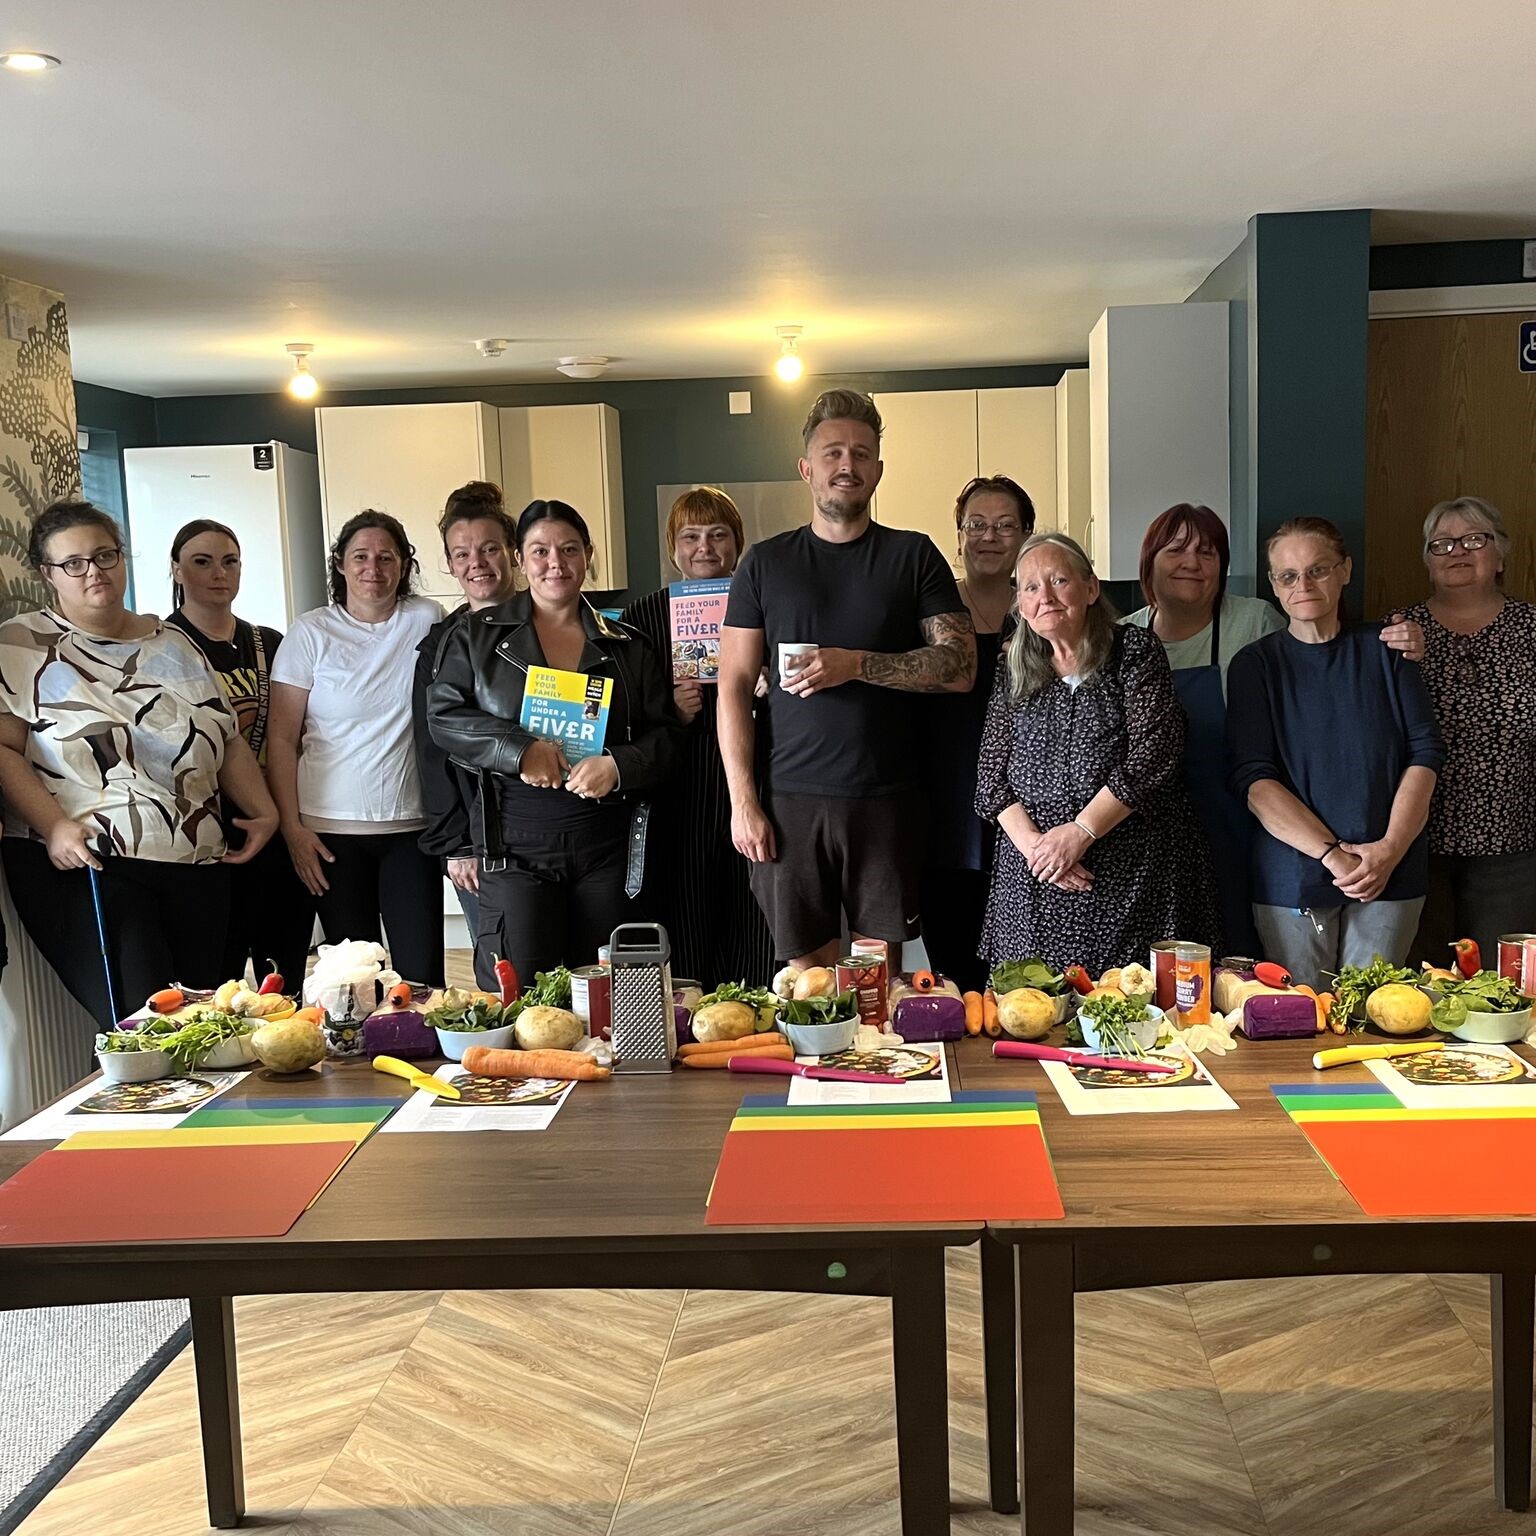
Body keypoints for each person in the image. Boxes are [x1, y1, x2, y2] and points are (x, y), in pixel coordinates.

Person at [719, 390, 976, 970]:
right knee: (806, 980)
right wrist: (744, 802)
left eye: (862, 454)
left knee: (874, 980)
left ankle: (877, 1066)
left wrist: (855, 662)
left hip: (888, 802)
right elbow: (733, 686)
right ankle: (814, 1064)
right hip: (789, 802)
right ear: (806, 468)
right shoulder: (764, 563)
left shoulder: (913, 556)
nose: (847, 465)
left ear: (878, 470)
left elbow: (959, 668)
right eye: (832, 452)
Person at [0, 500, 279, 1028]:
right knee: (143, 1028)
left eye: (105, 556)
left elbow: (226, 737)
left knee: (205, 1026)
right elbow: (5, 750)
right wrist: (53, 825)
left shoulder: (172, 641)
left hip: (198, 862)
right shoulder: (20, 644)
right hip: (93, 863)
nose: (94, 572)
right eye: (74, 563)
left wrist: (263, 811)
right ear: (47, 574)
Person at [1123, 503, 1426, 956]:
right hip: (1145, 830)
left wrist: (1405, 637)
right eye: (1175, 550)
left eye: (1207, 552)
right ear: (1149, 561)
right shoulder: (1120, 638)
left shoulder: (1254, 623)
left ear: (1344, 571)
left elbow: (1417, 745)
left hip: (1235, 826)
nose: (1191, 563)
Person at [428, 499, 679, 989]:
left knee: (613, 996)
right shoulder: (475, 638)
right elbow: (443, 717)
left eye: (568, 549)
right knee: (521, 995)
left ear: (588, 555)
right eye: (539, 551)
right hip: (515, 845)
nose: (555, 564)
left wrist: (620, 765)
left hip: (607, 848)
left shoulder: (628, 643)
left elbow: (668, 737)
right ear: (520, 559)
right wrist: (518, 749)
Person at [975, 533, 1218, 978]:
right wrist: (1042, 853)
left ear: (1089, 589)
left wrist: (1080, 833)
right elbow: (990, 781)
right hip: (1034, 886)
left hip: (1135, 881)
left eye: (1058, 580)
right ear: (1021, 606)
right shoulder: (1011, 670)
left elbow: (1154, 754)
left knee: (1135, 1012)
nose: (1044, 596)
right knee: (1031, 1012)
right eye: (1030, 587)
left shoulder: (1134, 651)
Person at [1227, 517, 1444, 989]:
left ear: (1344, 570)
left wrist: (1388, 851)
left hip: (1391, 870)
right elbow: (1254, 780)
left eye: (1318, 570)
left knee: (1375, 1017)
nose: (1303, 584)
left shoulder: (1388, 649)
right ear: (1273, 585)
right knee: (1303, 1022)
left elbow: (1425, 754)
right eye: (1288, 575)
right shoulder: (1256, 665)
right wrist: (1332, 856)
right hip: (1292, 876)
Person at [267, 511, 446, 987]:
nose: (374, 568)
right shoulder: (309, 633)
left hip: (411, 827)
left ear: (404, 565)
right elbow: (281, 740)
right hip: (328, 834)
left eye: (387, 557)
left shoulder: (427, 619)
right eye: (361, 557)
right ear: (340, 565)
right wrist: (293, 829)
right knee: (350, 985)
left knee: (421, 978)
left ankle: (419, 1060)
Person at [621, 487, 775, 986]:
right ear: (672, 547)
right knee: (683, 910)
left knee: (753, 904)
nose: (704, 547)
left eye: (717, 534)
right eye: (690, 536)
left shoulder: (764, 605)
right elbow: (619, 714)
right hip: (678, 789)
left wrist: (772, 684)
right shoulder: (642, 618)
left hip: (756, 782)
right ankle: (687, 1021)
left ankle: (753, 1010)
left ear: (738, 542)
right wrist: (666, 710)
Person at [164, 519, 311, 990]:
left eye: (229, 561)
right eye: (201, 562)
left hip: (279, 819)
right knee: (216, 976)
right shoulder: (161, 647)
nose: (218, 573)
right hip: (208, 832)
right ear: (176, 571)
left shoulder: (270, 643)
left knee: (283, 972)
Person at [1401, 497, 1536, 967]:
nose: (1458, 551)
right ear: (1427, 561)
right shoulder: (1398, 633)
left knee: (1504, 986)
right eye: (1441, 544)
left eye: (1475, 539)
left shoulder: (1531, 630)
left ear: (1499, 554)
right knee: (1422, 983)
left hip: (1512, 843)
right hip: (1415, 841)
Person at [918, 476, 1032, 991]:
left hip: (1031, 810)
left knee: (1024, 975)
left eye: (1006, 526)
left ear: (1026, 534)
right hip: (945, 802)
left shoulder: (1043, 610)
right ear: (959, 534)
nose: (990, 537)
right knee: (955, 964)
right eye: (977, 525)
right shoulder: (930, 611)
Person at [411, 482, 521, 942]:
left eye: (490, 548)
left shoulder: (556, 624)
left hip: (558, 827)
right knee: (502, 971)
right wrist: (455, 845)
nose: (476, 562)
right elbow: (431, 752)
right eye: (462, 554)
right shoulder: (438, 647)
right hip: (479, 837)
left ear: (513, 553)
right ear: (451, 564)